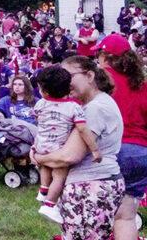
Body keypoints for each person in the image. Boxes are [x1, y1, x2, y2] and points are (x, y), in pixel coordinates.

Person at [32, 56, 124, 240]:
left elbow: (69, 156)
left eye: (68, 75)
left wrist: (38, 157)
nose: (64, 81)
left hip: (91, 186)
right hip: (92, 184)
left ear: (89, 76)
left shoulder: (94, 109)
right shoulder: (90, 105)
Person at [31, 65, 100, 224]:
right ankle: (49, 204)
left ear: (44, 91)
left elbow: (37, 118)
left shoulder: (40, 104)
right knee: (59, 176)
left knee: (45, 166)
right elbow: (82, 129)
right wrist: (94, 149)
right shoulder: (74, 107)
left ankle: (43, 189)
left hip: (41, 144)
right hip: (59, 147)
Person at [94, 33, 147, 239]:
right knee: (125, 216)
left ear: (105, 56)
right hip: (140, 153)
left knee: (98, 213)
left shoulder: (100, 82)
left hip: (112, 152)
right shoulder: (141, 83)